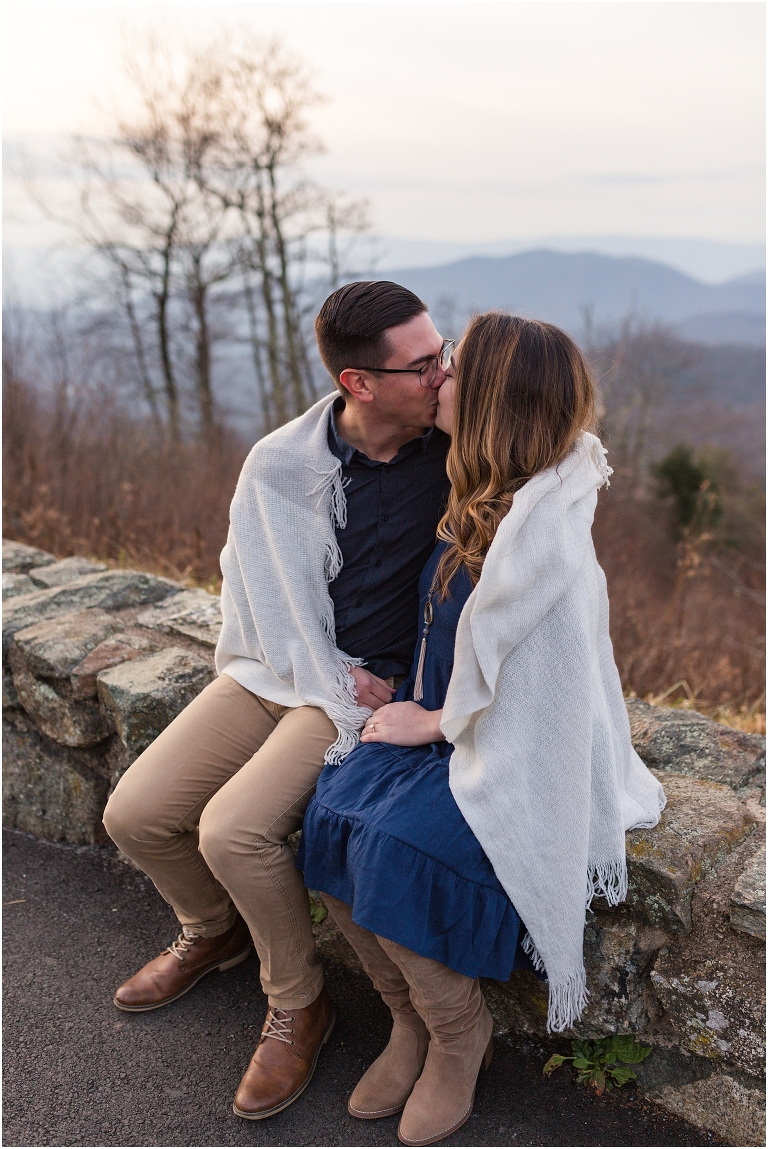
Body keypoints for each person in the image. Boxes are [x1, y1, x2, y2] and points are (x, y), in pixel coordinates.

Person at [298, 311, 667, 1147]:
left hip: (507, 752)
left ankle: (459, 1035)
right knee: (327, 819)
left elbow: (547, 691)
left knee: (395, 849)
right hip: (448, 728)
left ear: (495, 400)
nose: (440, 380)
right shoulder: (478, 487)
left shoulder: (543, 532)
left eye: (455, 369)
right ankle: (407, 1018)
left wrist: (436, 719)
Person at [102, 281, 453, 1119]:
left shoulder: (454, 446)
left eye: (443, 352)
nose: (444, 373)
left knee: (235, 828)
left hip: (371, 692)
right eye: (423, 364)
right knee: (135, 814)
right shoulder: (284, 464)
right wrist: (326, 671)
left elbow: (556, 443)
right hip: (285, 668)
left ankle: (299, 1001)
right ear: (358, 383)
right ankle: (212, 927)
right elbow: (258, 592)